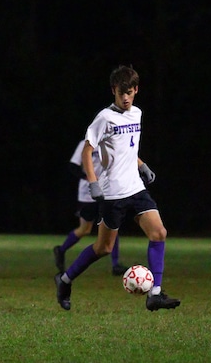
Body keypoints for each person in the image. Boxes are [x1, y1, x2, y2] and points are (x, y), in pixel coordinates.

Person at [54, 65, 180, 312]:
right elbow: (87, 152)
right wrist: (92, 182)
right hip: (112, 194)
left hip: (135, 187)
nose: (125, 97)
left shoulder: (137, 114)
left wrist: (142, 165)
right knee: (104, 248)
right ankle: (65, 280)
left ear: (136, 90)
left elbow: (127, 149)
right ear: (113, 90)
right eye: (121, 92)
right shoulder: (104, 118)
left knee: (159, 233)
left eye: (130, 92)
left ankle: (154, 293)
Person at [53, 140, 129, 276]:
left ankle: (116, 264)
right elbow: (73, 166)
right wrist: (89, 178)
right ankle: (61, 249)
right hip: (88, 194)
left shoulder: (112, 142)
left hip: (107, 190)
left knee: (112, 225)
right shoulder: (85, 143)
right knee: (85, 229)